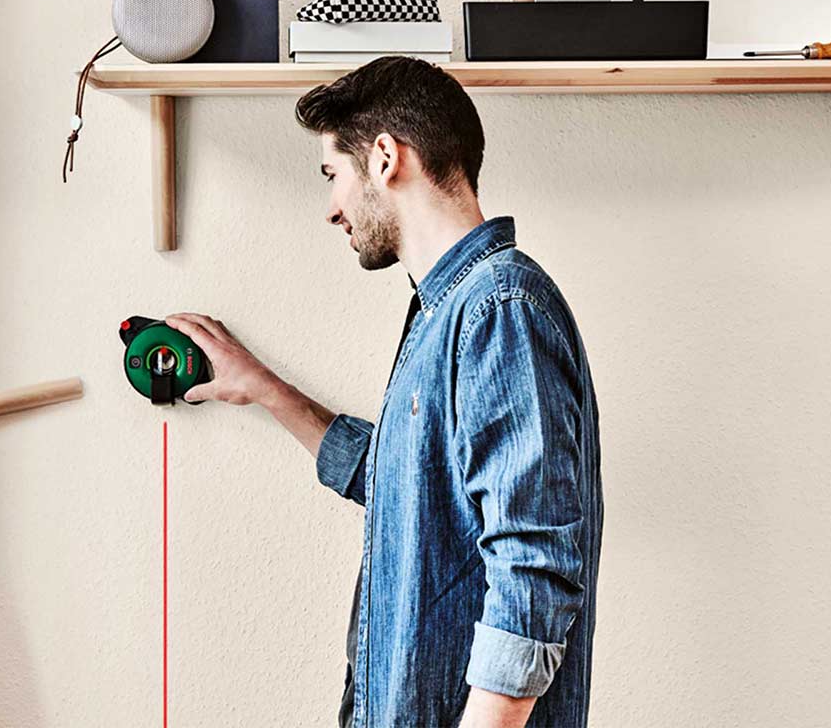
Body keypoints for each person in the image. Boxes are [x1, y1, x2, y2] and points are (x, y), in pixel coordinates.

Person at [166, 55, 604, 728]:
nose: (332, 209)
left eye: (332, 175)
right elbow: (404, 482)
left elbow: (533, 568)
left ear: (384, 158)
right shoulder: (447, 313)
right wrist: (265, 388)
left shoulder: (499, 310)